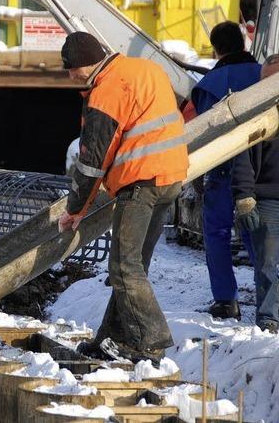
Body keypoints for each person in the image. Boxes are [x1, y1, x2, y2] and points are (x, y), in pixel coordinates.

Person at [58, 32, 188, 366]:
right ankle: (112, 338)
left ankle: (150, 341)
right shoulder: (143, 69)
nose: (70, 76)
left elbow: (92, 162)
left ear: (82, 65)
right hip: (170, 176)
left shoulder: (107, 91)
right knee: (132, 265)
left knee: (123, 267)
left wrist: (75, 210)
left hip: (140, 182)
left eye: (69, 69)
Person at [191, 21, 261, 320]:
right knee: (258, 232)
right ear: (244, 44)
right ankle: (268, 296)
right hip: (261, 168)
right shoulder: (265, 75)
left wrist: (197, 172)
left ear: (216, 49)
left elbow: (202, 132)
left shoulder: (209, 84)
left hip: (221, 169)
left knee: (217, 233)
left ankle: (226, 301)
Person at [231, 54, 279, 334]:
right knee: (267, 263)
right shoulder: (256, 115)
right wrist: (244, 197)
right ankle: (269, 319)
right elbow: (243, 159)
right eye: (264, 82)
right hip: (268, 198)